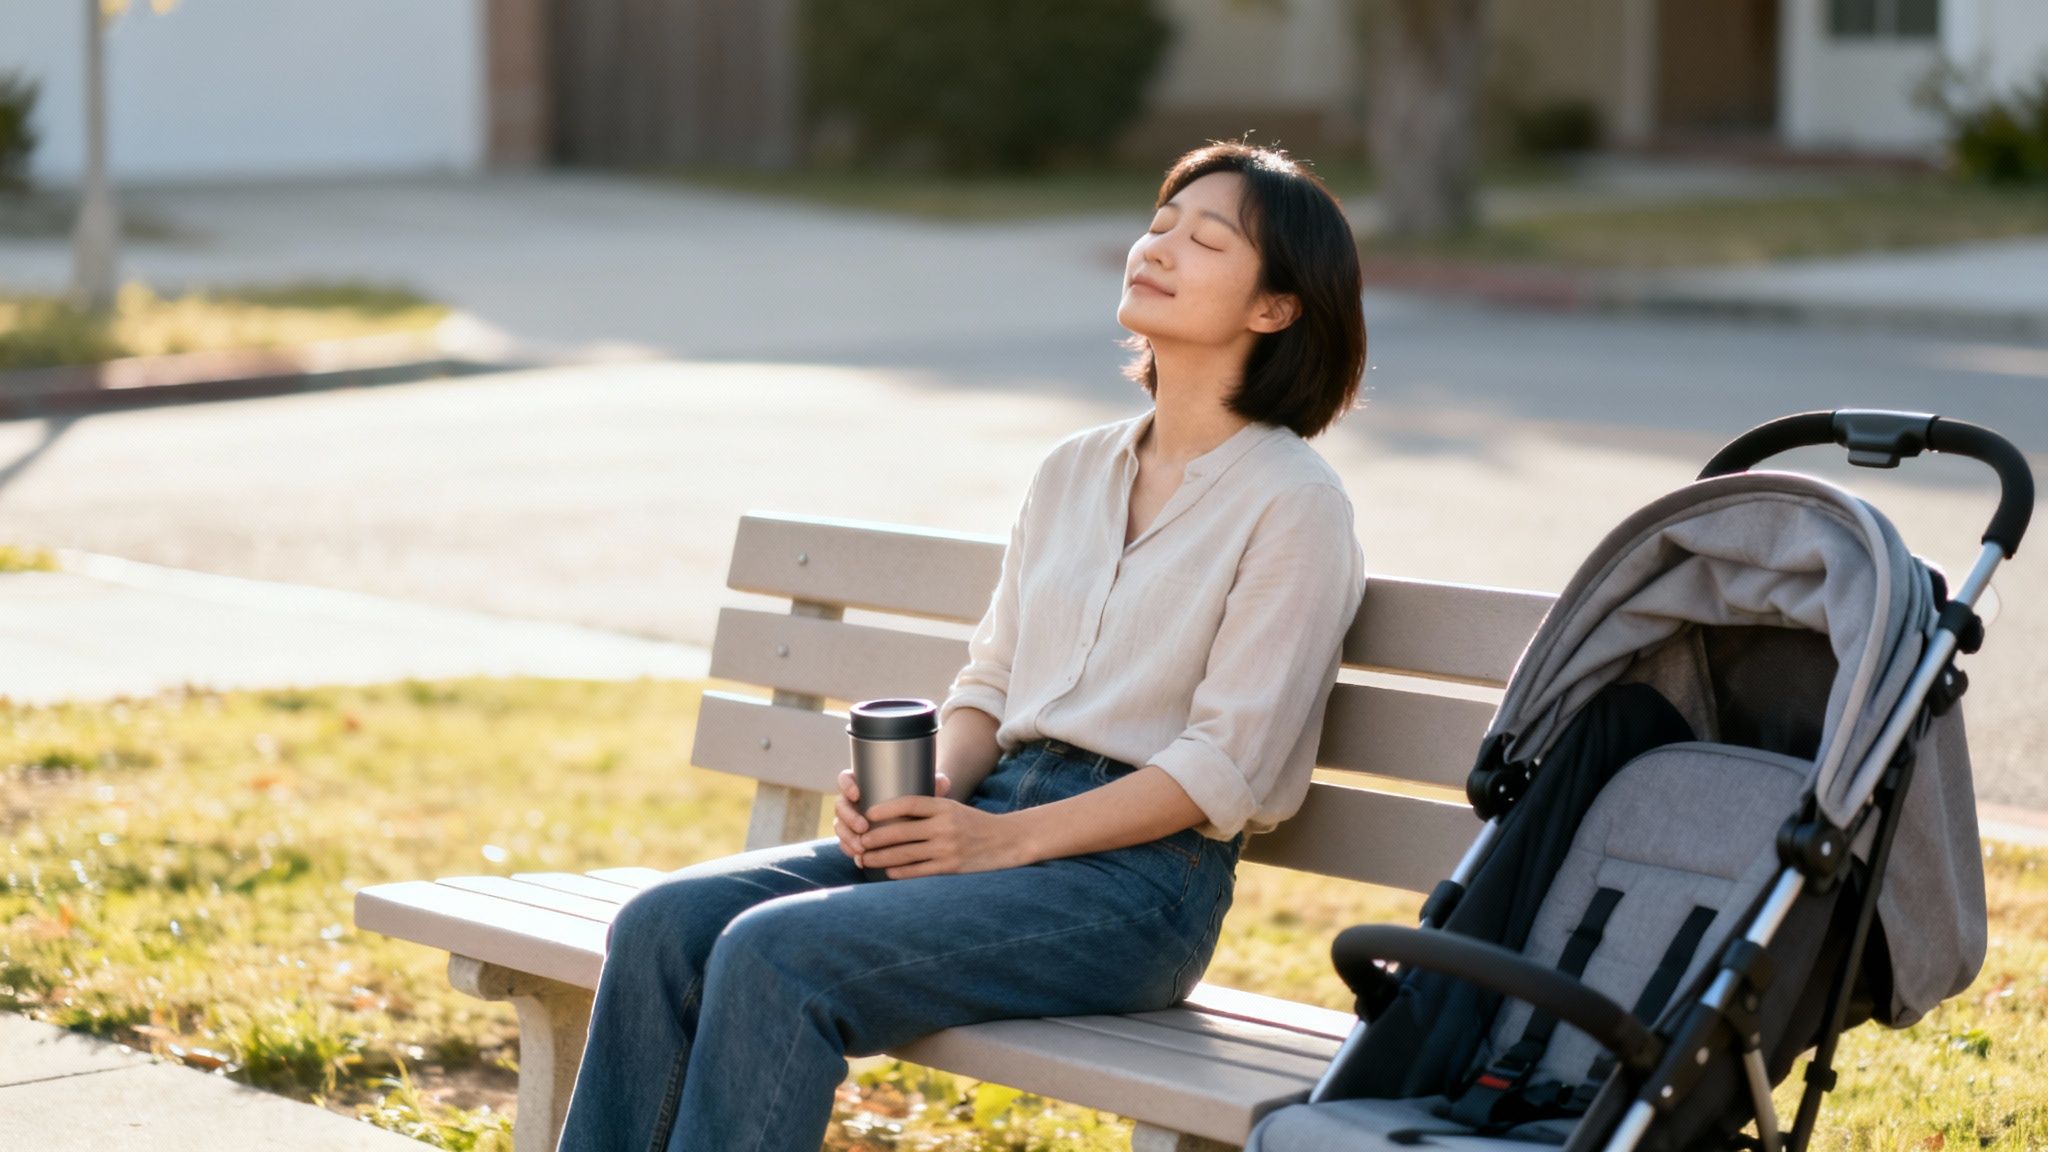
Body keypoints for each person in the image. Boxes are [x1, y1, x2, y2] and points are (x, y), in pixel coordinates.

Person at [555, 140, 1369, 1152]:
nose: (1156, 247)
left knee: (775, 955)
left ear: (1274, 309)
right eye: (1158, 223)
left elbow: (1225, 767)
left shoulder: (1293, 504)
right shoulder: (1073, 470)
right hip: (991, 820)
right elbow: (988, 683)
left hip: (1134, 889)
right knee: (662, 927)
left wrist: (1001, 842)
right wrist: (927, 794)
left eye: (1204, 240)